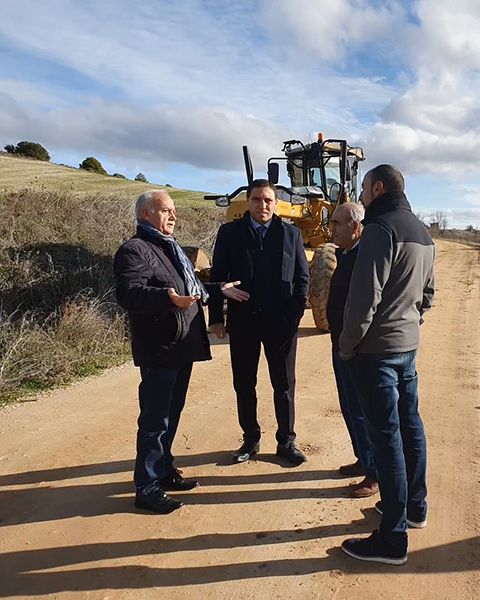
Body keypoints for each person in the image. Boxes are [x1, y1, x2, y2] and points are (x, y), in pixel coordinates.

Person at [338, 165, 435, 565]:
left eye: (363, 189)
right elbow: (427, 294)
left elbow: (364, 299)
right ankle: (415, 508)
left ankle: (391, 539)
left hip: (375, 352)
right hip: (407, 347)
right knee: (410, 426)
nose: (360, 196)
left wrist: (347, 345)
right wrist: (410, 322)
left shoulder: (380, 229)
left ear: (378, 188)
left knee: (387, 439)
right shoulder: (423, 231)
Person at [115, 190, 232, 513]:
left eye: (173, 211)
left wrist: (217, 289)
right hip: (160, 349)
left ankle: (164, 471)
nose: (173, 216)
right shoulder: (134, 250)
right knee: (155, 421)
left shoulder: (170, 248)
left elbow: (188, 290)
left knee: (171, 415)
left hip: (181, 347)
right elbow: (129, 294)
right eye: (165, 210)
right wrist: (166, 299)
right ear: (145, 215)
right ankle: (147, 486)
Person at [208, 179, 310, 466]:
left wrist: (295, 315)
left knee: (284, 384)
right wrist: (216, 317)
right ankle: (250, 439)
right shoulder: (230, 233)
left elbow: (303, 278)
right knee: (244, 383)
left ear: (275, 203)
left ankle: (286, 440)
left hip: (281, 324)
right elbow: (218, 276)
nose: (262, 205)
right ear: (248, 202)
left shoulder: (291, 234)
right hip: (243, 322)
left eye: (267, 200)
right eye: (256, 200)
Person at [327, 203, 379, 498]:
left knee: (361, 410)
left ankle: (374, 474)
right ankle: (363, 458)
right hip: (340, 341)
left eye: (336, 223)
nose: (331, 227)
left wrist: (351, 341)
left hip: (356, 347)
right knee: (348, 405)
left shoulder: (364, 258)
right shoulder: (345, 254)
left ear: (355, 227)